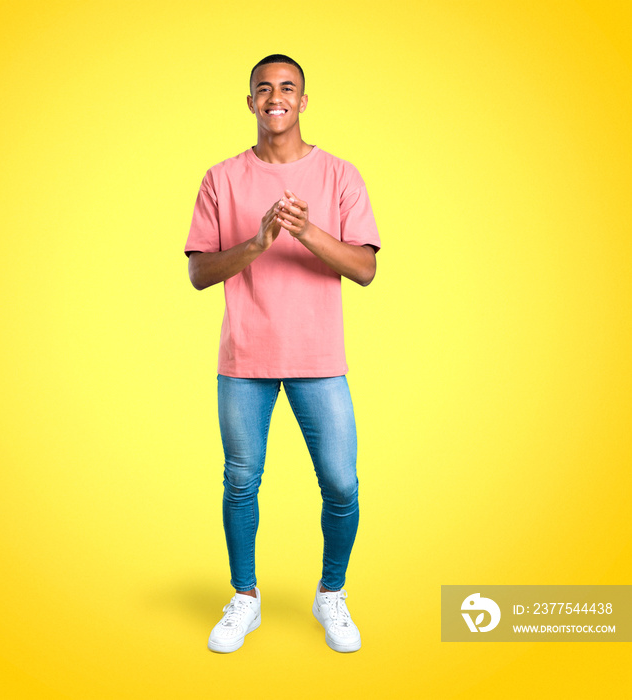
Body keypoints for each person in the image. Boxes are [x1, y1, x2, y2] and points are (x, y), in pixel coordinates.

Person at [185, 54, 381, 653]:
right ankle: (245, 597)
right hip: (245, 358)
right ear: (250, 102)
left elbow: (366, 269)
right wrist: (259, 241)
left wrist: (306, 232)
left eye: (287, 88)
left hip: (319, 359)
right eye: (263, 89)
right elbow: (198, 273)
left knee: (341, 485)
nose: (276, 97)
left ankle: (331, 594)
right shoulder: (221, 178)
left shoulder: (341, 175)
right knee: (241, 481)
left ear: (302, 100)